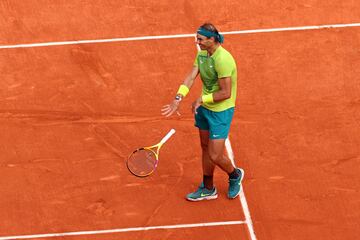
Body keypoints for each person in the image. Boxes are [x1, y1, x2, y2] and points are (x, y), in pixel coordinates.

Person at [161, 23, 244, 201]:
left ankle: (235, 174)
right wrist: (178, 98)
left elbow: (225, 93)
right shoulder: (202, 55)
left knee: (215, 155)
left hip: (221, 111)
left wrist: (202, 99)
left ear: (212, 39)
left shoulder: (223, 59)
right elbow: (191, 77)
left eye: (200, 39)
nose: (197, 42)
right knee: (205, 148)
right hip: (204, 109)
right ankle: (208, 188)